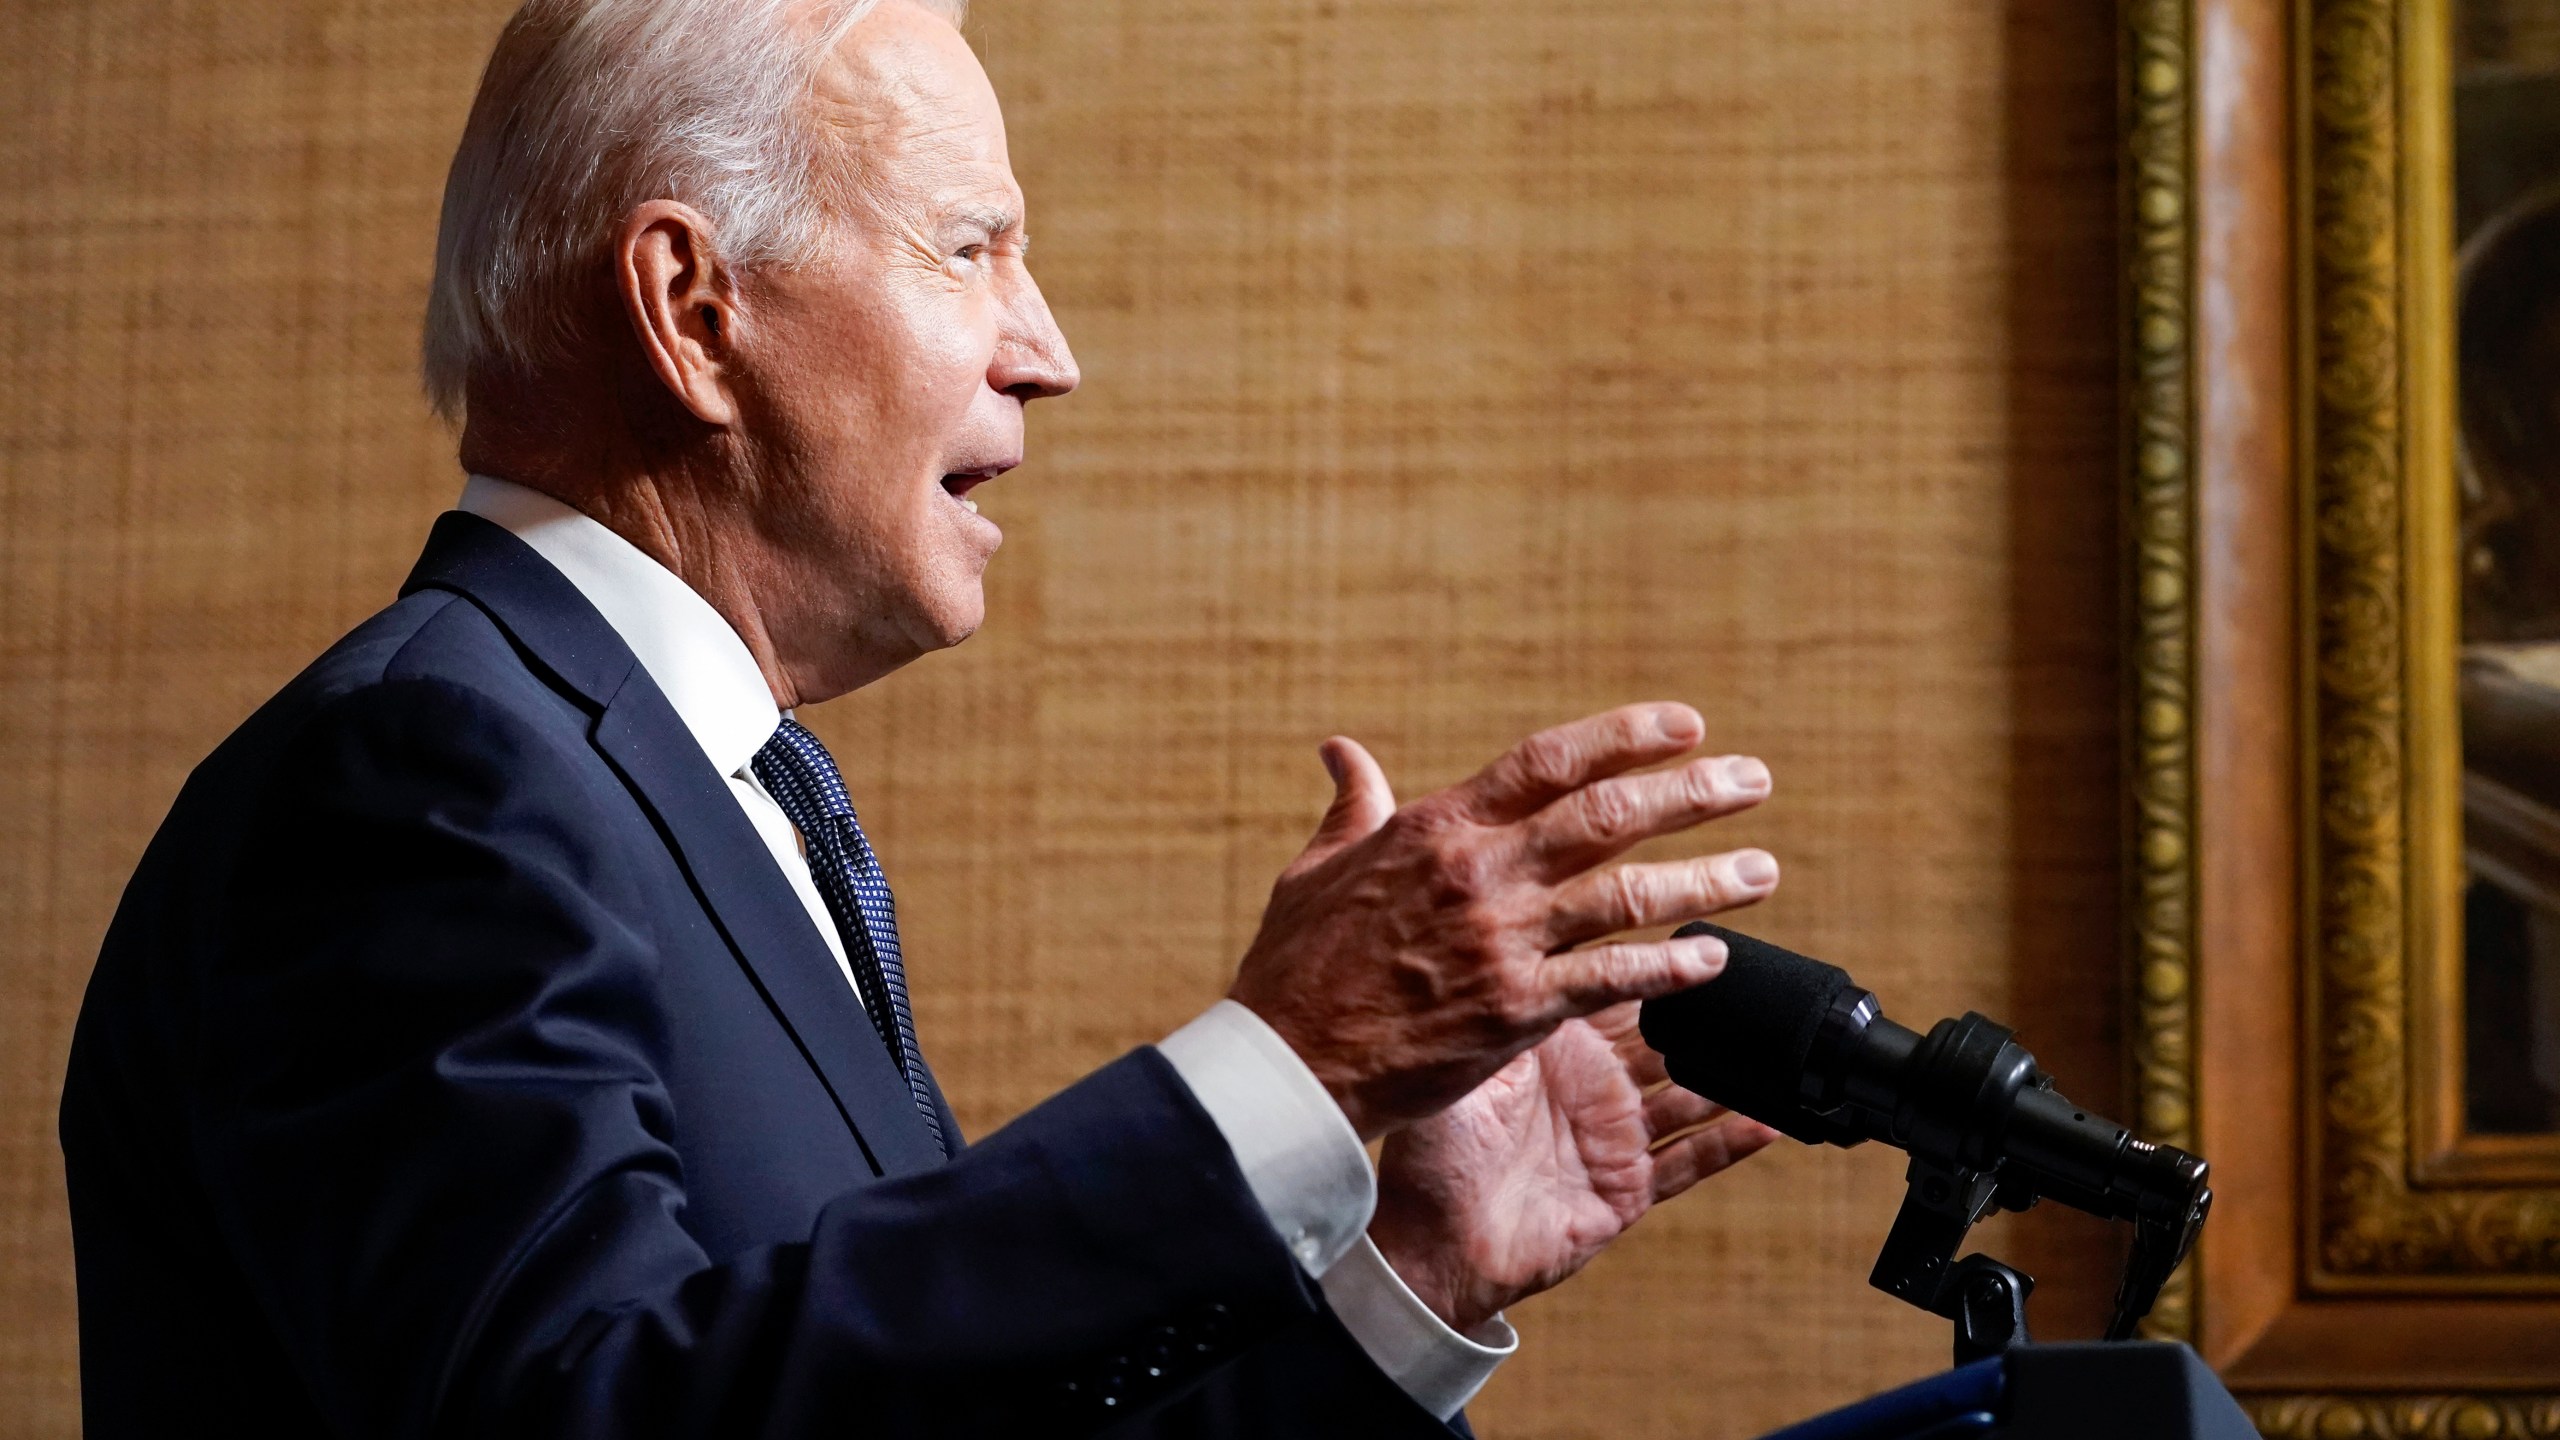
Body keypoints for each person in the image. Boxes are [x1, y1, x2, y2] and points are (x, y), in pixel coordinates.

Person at [58, 1, 1784, 1434]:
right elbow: (580, 1414)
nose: (1047, 350)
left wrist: (1403, 1274)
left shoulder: (719, 794)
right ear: (693, 312)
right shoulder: (422, 779)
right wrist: (1291, 1066)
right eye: (972, 249)